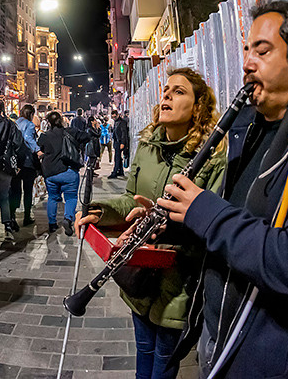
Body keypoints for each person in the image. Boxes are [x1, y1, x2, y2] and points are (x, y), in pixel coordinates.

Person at [161, 1, 288, 378]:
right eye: (246, 50)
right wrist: (173, 222)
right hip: (215, 333)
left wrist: (203, 210)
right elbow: (234, 224)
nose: (247, 63)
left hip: (260, 355)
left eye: (262, 51)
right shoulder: (245, 130)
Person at [76, 68, 227, 379]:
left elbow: (213, 224)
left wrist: (166, 225)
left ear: (198, 106)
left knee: (163, 363)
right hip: (139, 277)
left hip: (178, 284)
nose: (167, 95)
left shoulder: (214, 158)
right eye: (166, 89)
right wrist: (100, 211)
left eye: (179, 91)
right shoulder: (148, 146)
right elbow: (131, 199)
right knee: (143, 353)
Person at [37, 111, 94, 236]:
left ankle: (52, 224)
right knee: (71, 198)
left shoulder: (44, 136)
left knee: (52, 198)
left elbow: (40, 149)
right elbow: (86, 137)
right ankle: (68, 219)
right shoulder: (71, 132)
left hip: (51, 173)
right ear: (61, 121)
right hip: (69, 171)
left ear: (48, 122)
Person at [0, 98, 24, 243]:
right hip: (5, 165)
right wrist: (18, 162)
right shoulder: (9, 124)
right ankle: (7, 227)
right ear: (2, 108)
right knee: (4, 196)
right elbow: (19, 143)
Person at [13, 104, 40, 226]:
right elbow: (29, 139)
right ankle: (27, 216)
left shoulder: (15, 123)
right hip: (27, 161)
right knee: (27, 190)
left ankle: (12, 217)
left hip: (15, 162)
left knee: (15, 190)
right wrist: (38, 150)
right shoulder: (29, 125)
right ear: (31, 114)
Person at [108, 109, 129, 179]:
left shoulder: (122, 122)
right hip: (116, 141)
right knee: (118, 157)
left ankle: (115, 172)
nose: (113, 118)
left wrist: (122, 143)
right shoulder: (116, 122)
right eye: (112, 117)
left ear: (117, 115)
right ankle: (120, 171)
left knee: (116, 158)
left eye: (114, 117)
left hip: (120, 142)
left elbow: (124, 133)